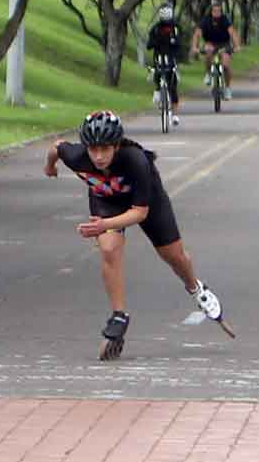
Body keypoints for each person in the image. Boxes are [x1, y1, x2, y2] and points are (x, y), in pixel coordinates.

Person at [43, 110, 225, 361]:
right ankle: (119, 315)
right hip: (106, 199)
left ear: (116, 145)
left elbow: (139, 213)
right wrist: (49, 165)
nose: (97, 156)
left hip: (145, 203)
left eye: (104, 149)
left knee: (173, 255)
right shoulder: (76, 156)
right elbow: (56, 147)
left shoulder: (136, 161)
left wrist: (103, 224)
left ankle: (197, 289)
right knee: (108, 248)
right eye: (92, 149)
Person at [190, 0, 241, 102]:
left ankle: (227, 88)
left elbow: (232, 33)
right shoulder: (206, 20)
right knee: (208, 51)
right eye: (214, 11)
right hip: (210, 43)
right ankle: (208, 73)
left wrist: (236, 46)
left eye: (219, 11)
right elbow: (197, 33)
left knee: (226, 65)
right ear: (211, 11)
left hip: (224, 44)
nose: (217, 13)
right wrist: (194, 47)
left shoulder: (225, 19)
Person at [146, 4, 184, 126]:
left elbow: (179, 44)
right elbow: (149, 45)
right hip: (159, 57)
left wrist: (173, 43)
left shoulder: (175, 28)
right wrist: (155, 42)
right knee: (157, 72)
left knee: (173, 86)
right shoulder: (156, 29)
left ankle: (175, 114)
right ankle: (157, 89)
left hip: (171, 58)